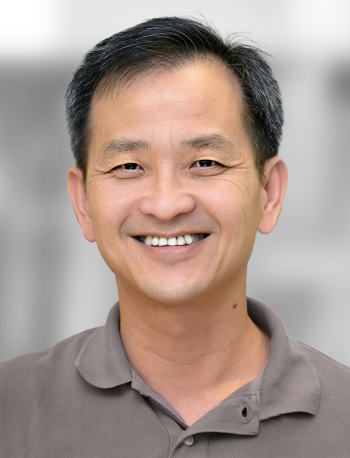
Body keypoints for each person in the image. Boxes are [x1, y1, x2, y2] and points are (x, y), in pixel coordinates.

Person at [1, 16, 349, 457]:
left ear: (269, 192)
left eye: (205, 163)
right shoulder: (10, 409)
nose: (166, 204)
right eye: (128, 166)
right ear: (83, 202)